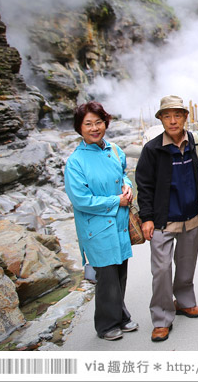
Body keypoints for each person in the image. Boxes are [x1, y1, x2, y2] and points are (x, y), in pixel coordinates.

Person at [136, 95, 198, 342]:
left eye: (177, 115)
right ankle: (161, 318)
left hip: (191, 215)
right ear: (160, 119)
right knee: (161, 270)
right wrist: (146, 218)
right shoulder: (152, 149)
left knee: (187, 264)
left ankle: (185, 301)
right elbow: (144, 186)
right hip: (162, 220)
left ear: (185, 117)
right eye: (166, 116)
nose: (172, 120)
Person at [64, 101, 137, 341]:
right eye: (88, 124)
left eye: (98, 122)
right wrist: (117, 201)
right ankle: (106, 325)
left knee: (120, 272)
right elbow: (81, 200)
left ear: (105, 123)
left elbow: (123, 174)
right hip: (96, 226)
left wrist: (127, 188)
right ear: (79, 128)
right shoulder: (76, 161)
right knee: (106, 276)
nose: (95, 128)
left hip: (119, 223)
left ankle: (121, 316)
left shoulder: (114, 149)